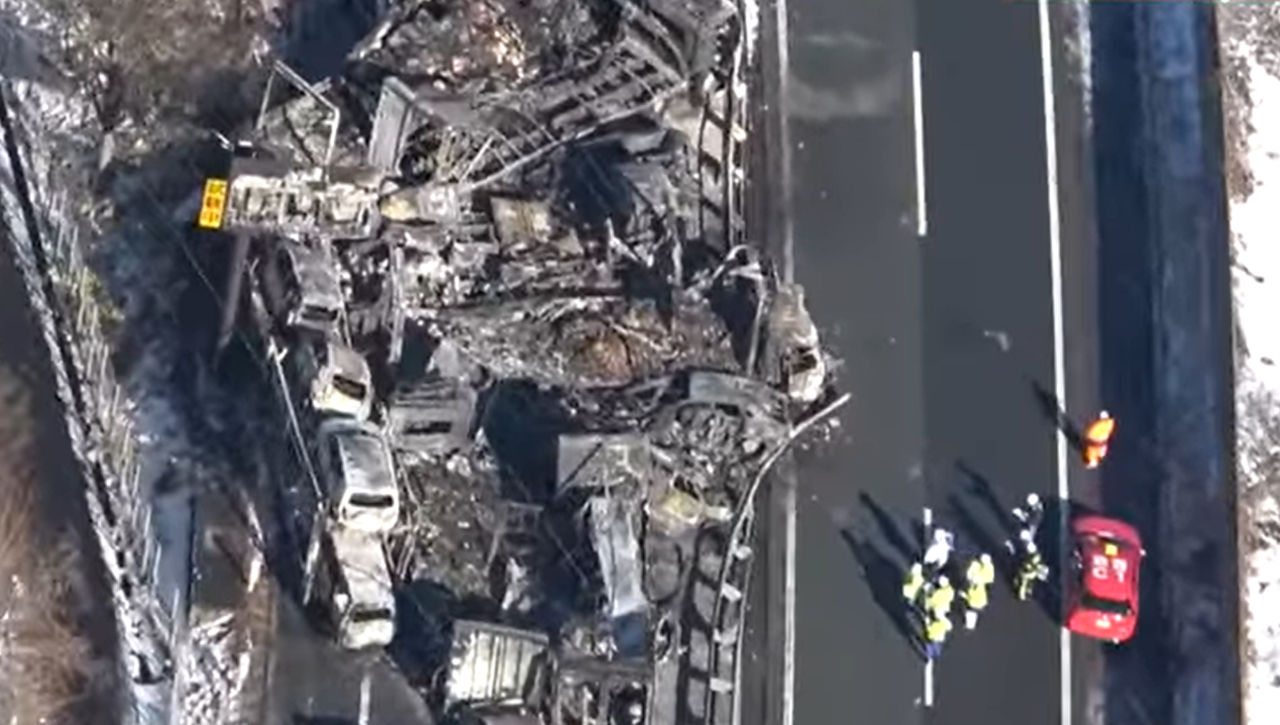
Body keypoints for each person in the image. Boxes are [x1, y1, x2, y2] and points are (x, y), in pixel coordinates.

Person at [961, 554, 995, 629]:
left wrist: (964, 595)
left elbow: (971, 597)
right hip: (980, 601)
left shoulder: (975, 588)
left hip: (975, 603)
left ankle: (970, 625)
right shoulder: (984, 567)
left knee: (970, 612)